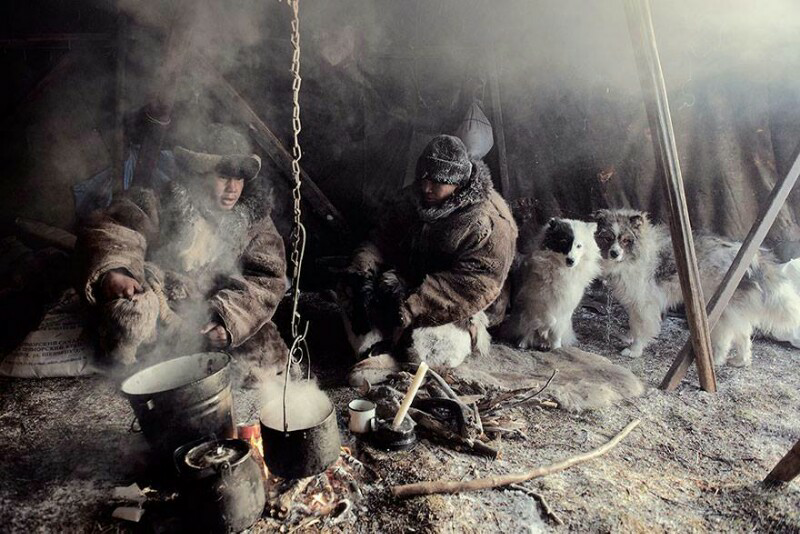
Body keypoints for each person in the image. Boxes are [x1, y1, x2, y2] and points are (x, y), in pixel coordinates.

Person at [76, 124, 288, 384]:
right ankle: (140, 373)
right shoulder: (163, 202)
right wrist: (117, 272)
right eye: (223, 176)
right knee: (133, 314)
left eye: (240, 177)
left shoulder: (254, 222)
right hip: (167, 312)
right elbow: (115, 229)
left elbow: (266, 279)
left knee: (265, 356)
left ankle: (203, 365)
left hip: (212, 316)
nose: (233, 188)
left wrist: (227, 320)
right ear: (198, 172)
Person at [342, 134, 517, 369]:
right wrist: (363, 272)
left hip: (458, 302)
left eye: (437, 181)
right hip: (407, 287)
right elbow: (381, 238)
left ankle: (397, 357)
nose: (426, 187)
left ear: (459, 182)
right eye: (423, 177)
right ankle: (378, 349)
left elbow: (477, 284)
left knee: (432, 349)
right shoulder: (414, 197)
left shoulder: (487, 222)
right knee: (350, 292)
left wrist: (412, 306)